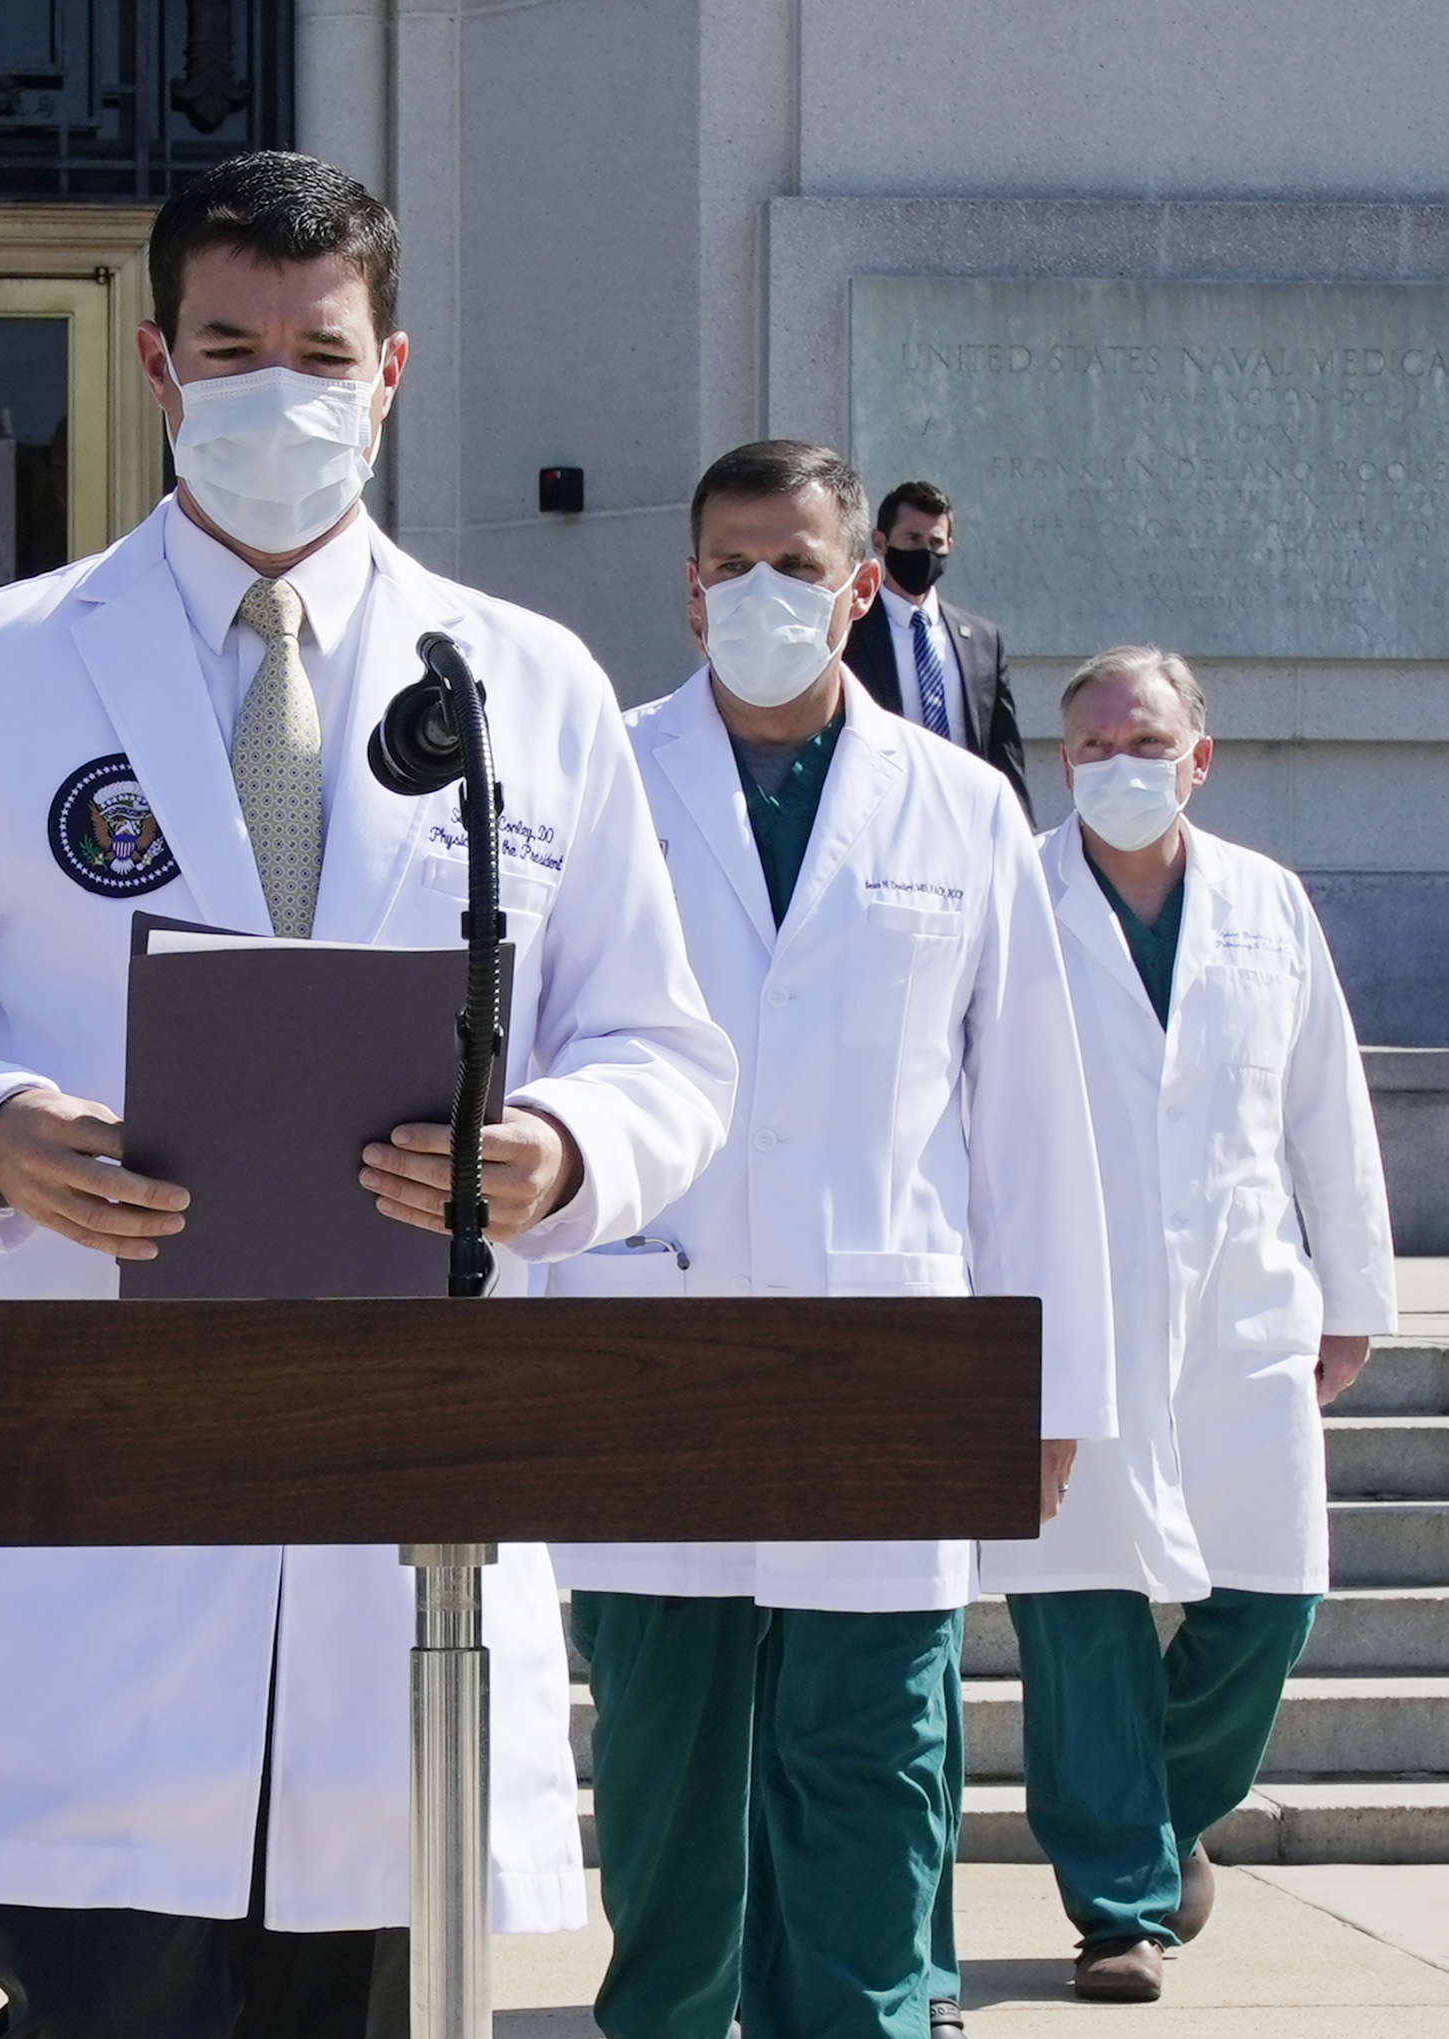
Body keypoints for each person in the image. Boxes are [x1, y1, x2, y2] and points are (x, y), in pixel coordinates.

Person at [0, 150, 736, 2037]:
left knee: (364, 1994)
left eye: (319, 349)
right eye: (231, 346)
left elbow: (661, 1049)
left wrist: (561, 1147)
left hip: (406, 1468)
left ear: (389, 373)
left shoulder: (520, 681)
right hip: (104, 1447)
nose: (276, 390)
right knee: (102, 2001)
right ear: (155, 364)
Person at [548, 440, 1117, 2039]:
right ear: (684, 585)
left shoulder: (958, 803)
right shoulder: (599, 779)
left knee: (872, 1774)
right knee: (665, 1783)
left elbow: (1023, 1112)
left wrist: (1049, 1378)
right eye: (729, 564)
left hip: (890, 1351)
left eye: (795, 566)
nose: (759, 594)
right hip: (647, 1335)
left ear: (860, 585)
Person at [980, 647, 1395, 2003]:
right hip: (1066, 1309)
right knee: (1082, 1612)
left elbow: (1320, 1102)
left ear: (1196, 756)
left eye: (1142, 739)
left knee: (1272, 1597)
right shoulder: (1014, 902)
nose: (1116, 764)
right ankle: (1117, 1906)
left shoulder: (1264, 904)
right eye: (1089, 744)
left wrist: (1350, 1291)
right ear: (1057, 763)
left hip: (1239, 1305)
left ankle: (1154, 1816)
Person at [845, 480, 1029, 812]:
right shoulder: (850, 631)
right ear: (880, 542)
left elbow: (1004, 750)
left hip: (965, 813)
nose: (925, 551)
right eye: (912, 539)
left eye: (936, 542)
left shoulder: (983, 640)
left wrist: (1023, 831)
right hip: (880, 813)